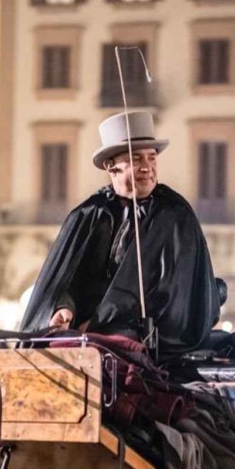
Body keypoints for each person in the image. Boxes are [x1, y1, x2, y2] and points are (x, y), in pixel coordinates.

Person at [19, 111, 218, 355]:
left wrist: (98, 324)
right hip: (83, 331)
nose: (147, 167)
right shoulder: (88, 214)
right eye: (136, 159)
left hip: (150, 335)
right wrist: (64, 307)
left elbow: (171, 292)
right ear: (110, 166)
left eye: (152, 158)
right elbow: (69, 279)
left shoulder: (175, 216)